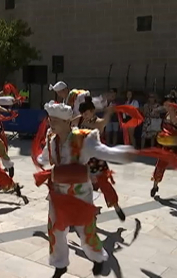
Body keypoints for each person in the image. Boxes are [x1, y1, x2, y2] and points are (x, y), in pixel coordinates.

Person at [35, 100, 135, 278]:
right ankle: (60, 264)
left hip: (80, 195)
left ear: (67, 122)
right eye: (50, 120)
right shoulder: (52, 140)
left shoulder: (84, 138)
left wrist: (122, 154)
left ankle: (98, 258)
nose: (51, 124)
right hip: (58, 194)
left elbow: (103, 151)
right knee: (55, 230)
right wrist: (40, 161)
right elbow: (44, 157)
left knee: (86, 231)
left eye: (55, 121)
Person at [78, 96, 125, 221]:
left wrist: (109, 112)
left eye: (86, 113)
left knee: (104, 184)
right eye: (83, 113)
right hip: (83, 159)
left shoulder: (98, 123)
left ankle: (116, 206)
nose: (84, 115)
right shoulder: (79, 121)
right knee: (84, 187)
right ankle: (88, 212)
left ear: (92, 111)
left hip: (96, 159)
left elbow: (104, 122)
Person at [150, 94, 177, 197]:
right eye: (166, 104)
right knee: (160, 166)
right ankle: (155, 185)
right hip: (167, 145)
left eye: (169, 104)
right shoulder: (166, 114)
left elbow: (174, 122)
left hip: (176, 146)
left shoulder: (175, 116)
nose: (167, 106)